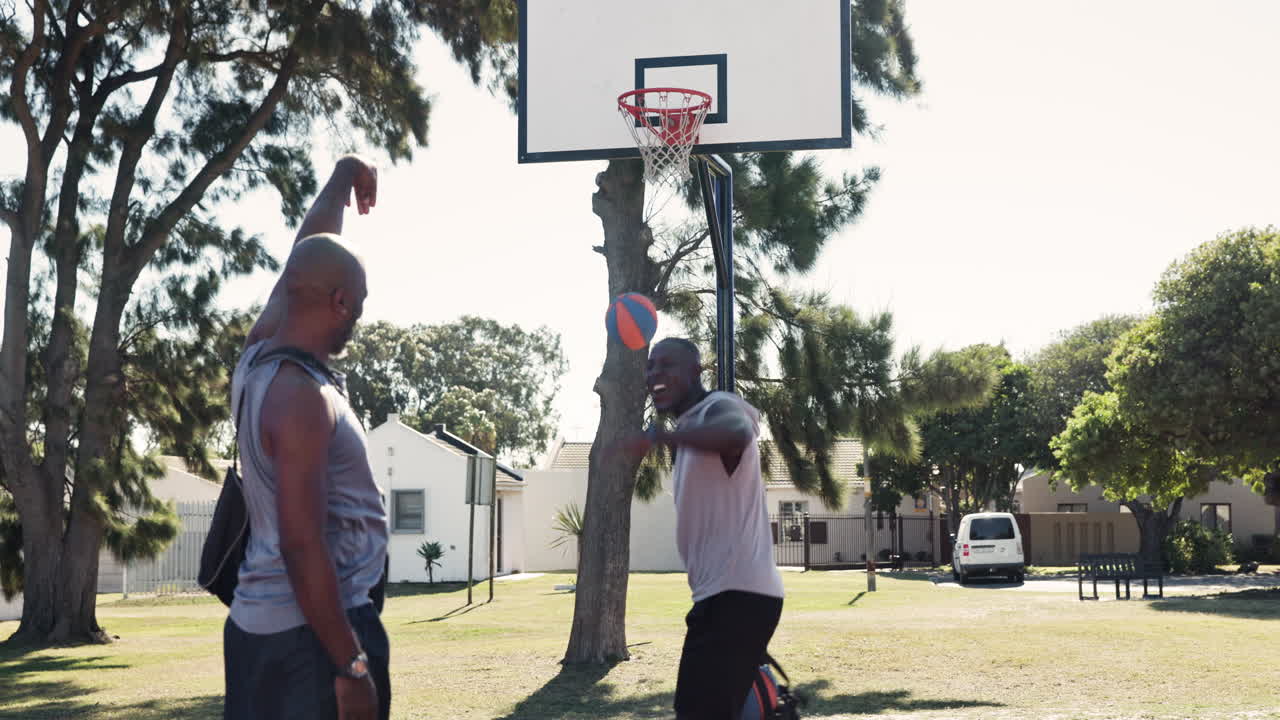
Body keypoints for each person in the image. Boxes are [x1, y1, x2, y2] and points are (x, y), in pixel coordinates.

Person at [223, 155, 390, 720]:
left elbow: (308, 250)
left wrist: (343, 176)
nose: (358, 318)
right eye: (359, 305)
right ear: (340, 301)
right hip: (315, 637)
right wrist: (352, 664)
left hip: (258, 629)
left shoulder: (257, 358)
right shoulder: (302, 399)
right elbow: (302, 544)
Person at [624, 337, 785, 720]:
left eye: (667, 365)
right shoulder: (690, 427)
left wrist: (664, 437)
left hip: (738, 596)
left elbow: (736, 434)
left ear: (697, 371)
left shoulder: (721, 407)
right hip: (721, 598)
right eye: (650, 366)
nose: (655, 374)